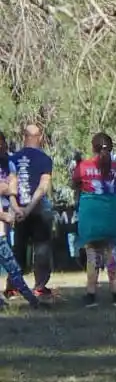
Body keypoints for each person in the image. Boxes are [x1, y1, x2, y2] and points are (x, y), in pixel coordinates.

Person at [72, 132, 116, 306]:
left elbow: (75, 185)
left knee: (92, 255)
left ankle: (91, 293)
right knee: (112, 253)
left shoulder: (82, 167)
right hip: (111, 214)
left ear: (93, 147)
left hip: (91, 214)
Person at [0, 131, 47, 311]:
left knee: (12, 265)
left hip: (4, 221)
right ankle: (31, 300)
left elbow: (12, 191)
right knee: (12, 263)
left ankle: (32, 300)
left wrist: (17, 209)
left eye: (2, 143)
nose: (1, 147)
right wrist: (4, 215)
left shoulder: (10, 163)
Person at [8, 122, 54, 299]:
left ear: (24, 137)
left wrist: (17, 209)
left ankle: (13, 286)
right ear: (40, 138)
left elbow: (9, 187)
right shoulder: (45, 159)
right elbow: (43, 187)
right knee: (41, 248)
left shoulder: (13, 159)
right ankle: (40, 286)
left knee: (18, 248)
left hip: (18, 209)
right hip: (38, 209)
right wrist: (28, 209)